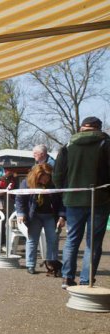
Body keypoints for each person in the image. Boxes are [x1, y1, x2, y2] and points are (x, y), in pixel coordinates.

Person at [53, 116, 110, 289]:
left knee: (71, 240)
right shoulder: (106, 144)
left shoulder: (68, 146)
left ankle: (66, 278)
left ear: (81, 129)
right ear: (98, 129)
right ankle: (86, 280)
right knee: (93, 242)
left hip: (73, 200)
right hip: (100, 199)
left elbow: (57, 176)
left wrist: (66, 192)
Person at [15, 164, 66, 275]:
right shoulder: (26, 183)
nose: (45, 180)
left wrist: (62, 216)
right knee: (32, 240)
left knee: (53, 240)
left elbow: (63, 199)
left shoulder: (54, 183)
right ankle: (30, 265)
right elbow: (19, 199)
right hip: (34, 216)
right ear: (36, 176)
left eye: (47, 177)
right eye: (43, 178)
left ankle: (51, 265)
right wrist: (21, 213)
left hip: (51, 216)